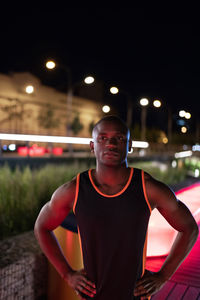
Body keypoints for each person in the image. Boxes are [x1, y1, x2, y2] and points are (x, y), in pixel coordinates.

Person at [34, 115, 199, 300]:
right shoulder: (74, 190)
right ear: (92, 146)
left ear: (129, 145)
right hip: (92, 296)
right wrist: (67, 274)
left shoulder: (148, 188)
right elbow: (42, 226)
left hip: (135, 295)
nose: (111, 144)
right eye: (102, 138)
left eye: (119, 138)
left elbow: (189, 228)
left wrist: (162, 276)